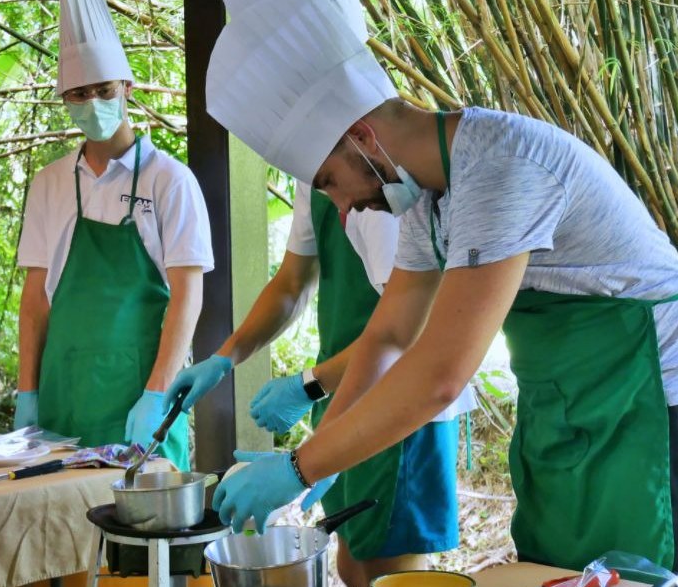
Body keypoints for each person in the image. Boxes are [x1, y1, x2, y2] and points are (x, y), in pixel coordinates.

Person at [205, 0, 678, 587]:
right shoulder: (424, 202)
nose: (344, 207)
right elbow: (388, 336)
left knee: (658, 575)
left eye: (331, 181)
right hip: (568, 403)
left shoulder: (501, 167)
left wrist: (300, 469)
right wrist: (321, 454)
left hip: (659, 396)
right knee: (566, 572)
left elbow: (439, 374)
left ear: (363, 137)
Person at [166, 181, 473, 586]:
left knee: (388, 571)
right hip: (344, 390)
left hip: (401, 408)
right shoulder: (315, 173)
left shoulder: (382, 187)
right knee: (352, 562)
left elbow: (401, 335)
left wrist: (310, 384)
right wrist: (225, 357)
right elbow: (292, 283)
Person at [12, 0, 213, 470]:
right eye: (78, 94)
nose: (92, 103)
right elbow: (35, 301)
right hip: (62, 401)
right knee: (61, 541)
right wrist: (27, 393)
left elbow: (187, 296)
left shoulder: (171, 181)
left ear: (127, 86)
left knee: (145, 541)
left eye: (102, 89)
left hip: (141, 403)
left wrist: (157, 395)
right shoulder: (50, 184)